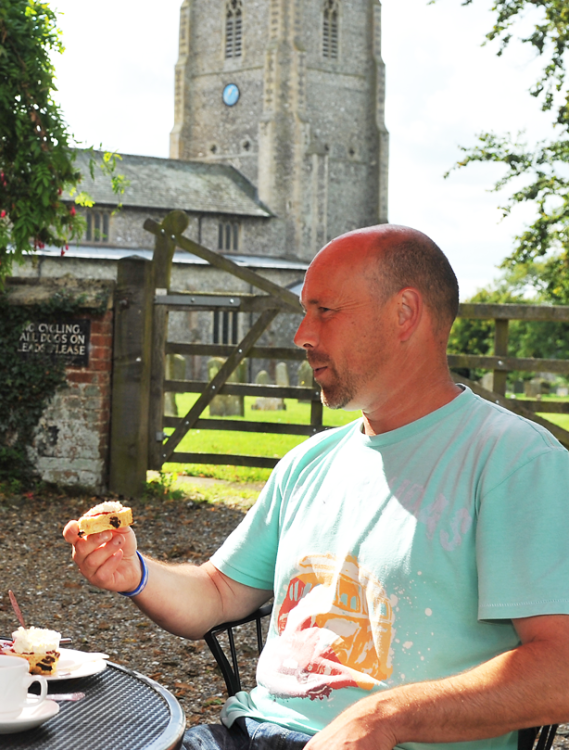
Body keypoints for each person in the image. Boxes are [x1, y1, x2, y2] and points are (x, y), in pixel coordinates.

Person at [64, 225, 569, 750]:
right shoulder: (309, 462)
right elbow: (217, 592)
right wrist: (135, 571)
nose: (302, 333)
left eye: (324, 311)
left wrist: (384, 719)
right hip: (248, 734)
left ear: (404, 314)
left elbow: (560, 668)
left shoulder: (515, 461)